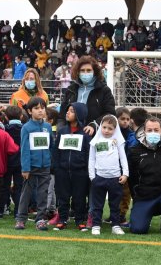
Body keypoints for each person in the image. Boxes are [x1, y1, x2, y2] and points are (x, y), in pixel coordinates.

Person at [128, 117, 161, 235]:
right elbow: (131, 178)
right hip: (144, 197)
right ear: (144, 131)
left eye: (156, 130)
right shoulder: (134, 150)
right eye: (149, 130)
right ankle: (142, 214)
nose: (153, 133)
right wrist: (136, 196)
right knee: (138, 229)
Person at [15, 97, 52, 231]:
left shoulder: (47, 127)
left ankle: (41, 219)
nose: (40, 111)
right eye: (36, 108)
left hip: (45, 166)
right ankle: (20, 218)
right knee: (26, 193)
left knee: (43, 193)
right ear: (30, 111)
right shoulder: (26, 128)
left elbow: (50, 146)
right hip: (30, 167)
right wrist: (25, 168)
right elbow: (24, 149)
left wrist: (50, 162)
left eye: (42, 108)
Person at [53, 102, 91, 231]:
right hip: (62, 171)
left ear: (79, 114)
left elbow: (88, 153)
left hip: (80, 172)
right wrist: (57, 168)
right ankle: (63, 219)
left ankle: (80, 220)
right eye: (67, 110)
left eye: (72, 111)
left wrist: (85, 170)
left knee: (79, 197)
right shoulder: (62, 131)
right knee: (62, 197)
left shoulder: (85, 133)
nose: (67, 113)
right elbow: (57, 150)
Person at [89, 115, 129, 236]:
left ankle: (115, 225)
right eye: (104, 127)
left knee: (115, 204)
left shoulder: (118, 142)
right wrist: (92, 177)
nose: (106, 130)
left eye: (110, 128)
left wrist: (125, 173)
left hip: (115, 179)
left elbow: (123, 158)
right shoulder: (95, 142)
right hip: (99, 178)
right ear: (101, 126)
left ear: (115, 129)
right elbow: (91, 160)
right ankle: (96, 225)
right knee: (97, 204)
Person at [59, 55, 116, 135]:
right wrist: (61, 129)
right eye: (82, 70)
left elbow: (110, 113)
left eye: (89, 70)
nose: (85, 73)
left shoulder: (104, 90)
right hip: (71, 135)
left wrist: (94, 125)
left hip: (93, 136)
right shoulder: (71, 90)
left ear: (94, 72)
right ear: (78, 72)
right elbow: (62, 114)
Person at [0, 106, 24, 218]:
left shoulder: (4, 129)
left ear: (6, 117)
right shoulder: (25, 128)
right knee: (19, 187)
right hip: (21, 161)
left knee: (4, 186)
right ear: (21, 116)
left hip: (6, 161)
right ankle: (18, 211)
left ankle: (0, 210)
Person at [116, 107, 136, 226]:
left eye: (127, 119)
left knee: (125, 193)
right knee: (114, 194)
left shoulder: (130, 135)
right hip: (112, 168)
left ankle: (121, 216)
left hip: (125, 170)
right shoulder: (111, 132)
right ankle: (114, 214)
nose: (125, 121)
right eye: (122, 119)